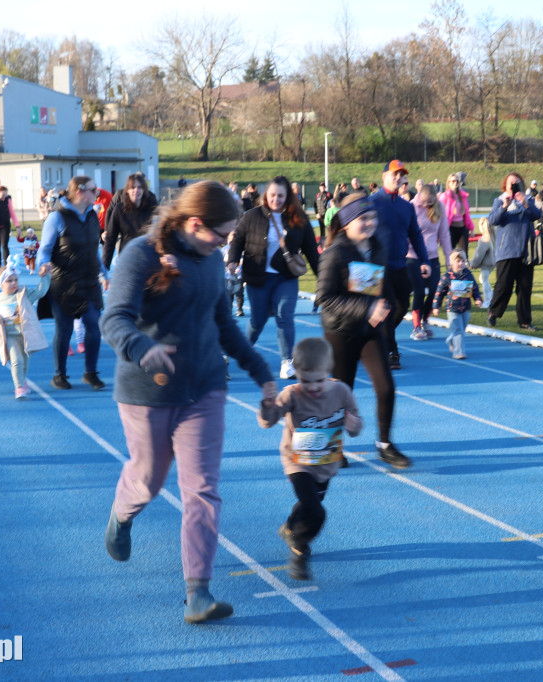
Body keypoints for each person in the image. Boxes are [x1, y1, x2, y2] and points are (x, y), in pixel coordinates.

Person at [100, 180, 277, 623]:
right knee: (148, 480)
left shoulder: (212, 260)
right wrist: (142, 348)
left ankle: (198, 592)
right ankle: (122, 514)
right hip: (148, 392)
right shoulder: (141, 254)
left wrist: (261, 373)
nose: (225, 243)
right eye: (221, 234)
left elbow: (225, 325)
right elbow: (114, 318)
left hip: (205, 388)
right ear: (195, 224)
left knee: (202, 489)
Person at [316, 193, 410, 470]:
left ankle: (385, 445)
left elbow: (381, 285)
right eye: (363, 218)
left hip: (369, 331)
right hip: (340, 331)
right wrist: (367, 309)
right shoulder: (334, 253)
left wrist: (387, 308)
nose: (370, 223)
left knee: (386, 386)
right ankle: (331, 447)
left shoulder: (377, 246)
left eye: (373, 217)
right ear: (346, 223)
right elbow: (325, 298)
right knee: (340, 393)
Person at [258, 336, 362, 581]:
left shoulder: (342, 392)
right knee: (316, 512)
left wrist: (354, 424)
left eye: (319, 381)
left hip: (326, 463)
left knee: (309, 503)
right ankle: (300, 549)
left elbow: (356, 426)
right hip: (297, 462)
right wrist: (267, 405)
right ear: (297, 374)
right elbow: (267, 422)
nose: (313, 388)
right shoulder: (292, 394)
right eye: (305, 381)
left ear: (328, 371)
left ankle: (289, 527)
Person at [227, 175, 320, 380]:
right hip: (258, 277)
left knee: (284, 316)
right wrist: (232, 260)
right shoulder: (252, 216)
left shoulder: (299, 219)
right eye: (272, 195)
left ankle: (287, 362)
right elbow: (238, 240)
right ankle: (244, 351)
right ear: (265, 195)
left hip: (286, 277)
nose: (276, 199)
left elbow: (312, 252)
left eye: (280, 196)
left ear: (288, 197)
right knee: (258, 320)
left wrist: (323, 278)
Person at [37, 176, 109, 391]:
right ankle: (59, 375)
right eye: (93, 190)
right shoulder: (56, 218)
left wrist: (104, 273)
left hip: (89, 282)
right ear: (80, 192)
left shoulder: (92, 216)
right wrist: (42, 264)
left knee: (94, 326)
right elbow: (44, 250)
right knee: (65, 329)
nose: (97, 193)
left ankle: (90, 373)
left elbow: (94, 250)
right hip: (64, 284)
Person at [370, 160, 430, 371]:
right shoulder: (370, 202)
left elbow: (415, 235)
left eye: (401, 174)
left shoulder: (407, 207)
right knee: (388, 307)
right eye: (394, 174)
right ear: (384, 176)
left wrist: (424, 260)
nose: (398, 178)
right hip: (376, 267)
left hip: (399, 265)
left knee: (402, 306)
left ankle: (372, 336)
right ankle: (391, 351)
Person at [0, 257, 51, 399]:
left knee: (25, 362)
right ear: (1, 284)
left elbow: (40, 292)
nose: (14, 283)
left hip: (25, 335)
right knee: (16, 360)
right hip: (10, 336)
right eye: (9, 281)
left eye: (15, 280)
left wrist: (45, 276)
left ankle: (22, 381)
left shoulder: (24, 295)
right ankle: (19, 387)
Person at [487, 172, 543, 331]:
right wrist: (504, 206)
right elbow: (493, 220)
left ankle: (525, 321)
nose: (513, 186)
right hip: (506, 250)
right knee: (504, 285)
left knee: (525, 288)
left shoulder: (528, 200)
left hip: (526, 251)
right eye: (510, 183)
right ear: (505, 186)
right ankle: (493, 312)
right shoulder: (499, 200)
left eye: (516, 183)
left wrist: (525, 203)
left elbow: (537, 215)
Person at [408, 184, 451, 340]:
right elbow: (406, 233)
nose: (427, 205)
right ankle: (416, 327)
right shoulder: (411, 207)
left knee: (435, 291)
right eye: (425, 202)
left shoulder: (440, 208)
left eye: (431, 202)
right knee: (419, 291)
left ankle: (425, 321)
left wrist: (448, 258)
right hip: (413, 256)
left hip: (432, 256)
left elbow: (444, 235)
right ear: (420, 196)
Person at [103, 173, 159, 270]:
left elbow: (161, 231)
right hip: (127, 256)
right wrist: (104, 267)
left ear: (144, 190)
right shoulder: (119, 209)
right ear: (127, 190)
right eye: (133, 187)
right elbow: (110, 240)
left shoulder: (151, 206)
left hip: (147, 256)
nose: (136, 190)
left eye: (139, 187)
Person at [432, 250, 482, 360]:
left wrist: (478, 299)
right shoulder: (447, 277)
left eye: (463, 261)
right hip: (452, 309)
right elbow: (439, 292)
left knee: (461, 329)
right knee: (458, 331)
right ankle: (458, 352)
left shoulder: (468, 275)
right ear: (451, 262)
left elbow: (475, 288)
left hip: (465, 307)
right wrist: (436, 307)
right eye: (458, 261)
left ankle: (451, 340)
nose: (461, 263)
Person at [441, 173, 474, 254]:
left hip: (462, 229)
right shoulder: (444, 196)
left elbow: (467, 214)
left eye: (457, 181)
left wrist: (471, 228)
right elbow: (440, 214)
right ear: (448, 183)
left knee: (464, 255)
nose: (455, 183)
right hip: (450, 229)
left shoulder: (462, 196)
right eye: (453, 181)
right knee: (450, 254)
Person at [470, 217, 495, 309]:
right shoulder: (493, 238)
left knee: (484, 281)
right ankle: (492, 295)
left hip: (486, 265)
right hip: (493, 263)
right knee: (483, 279)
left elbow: (478, 255)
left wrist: (473, 264)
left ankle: (488, 301)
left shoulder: (484, 240)